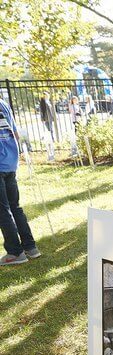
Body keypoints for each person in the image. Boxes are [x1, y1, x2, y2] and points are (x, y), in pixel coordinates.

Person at [0, 96, 40, 266]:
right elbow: (15, 133)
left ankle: (15, 252)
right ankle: (30, 247)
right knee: (14, 206)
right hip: (10, 162)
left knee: (3, 210)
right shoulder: (3, 104)